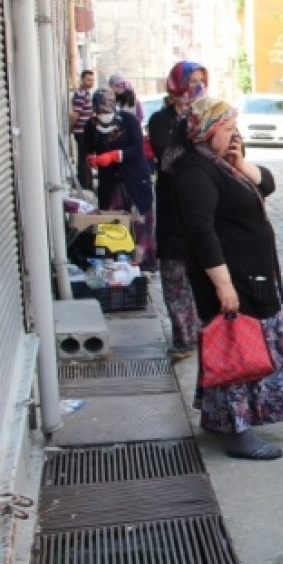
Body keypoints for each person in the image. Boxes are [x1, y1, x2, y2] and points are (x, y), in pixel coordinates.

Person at [172, 96, 283, 460]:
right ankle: (237, 432)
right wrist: (223, 284)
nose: (235, 135)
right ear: (208, 131)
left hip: (253, 274)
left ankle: (224, 420)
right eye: (228, 129)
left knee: (247, 347)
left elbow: (268, 184)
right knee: (235, 351)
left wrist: (241, 162)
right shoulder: (195, 172)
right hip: (233, 277)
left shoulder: (221, 163)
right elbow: (201, 231)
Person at [149, 61, 208, 359]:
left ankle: (204, 331)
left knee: (203, 272)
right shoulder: (161, 120)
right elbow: (168, 157)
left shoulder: (208, 115)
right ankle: (183, 337)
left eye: (201, 81)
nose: (196, 88)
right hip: (173, 208)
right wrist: (188, 122)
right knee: (175, 276)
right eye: (190, 82)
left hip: (201, 205)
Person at [83, 89, 156, 270]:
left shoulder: (128, 121)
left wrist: (115, 156)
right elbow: (86, 148)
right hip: (110, 183)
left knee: (140, 224)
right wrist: (91, 159)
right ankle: (118, 264)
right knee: (114, 225)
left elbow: (137, 147)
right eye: (100, 112)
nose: (103, 116)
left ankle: (143, 264)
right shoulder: (91, 126)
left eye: (106, 111)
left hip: (135, 180)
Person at [69, 69, 96, 189]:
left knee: (85, 158)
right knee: (83, 159)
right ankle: (84, 185)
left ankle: (86, 184)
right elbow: (76, 114)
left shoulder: (86, 94)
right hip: (82, 132)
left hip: (86, 131)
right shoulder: (80, 95)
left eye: (92, 80)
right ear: (82, 80)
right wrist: (71, 128)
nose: (91, 82)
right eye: (88, 80)